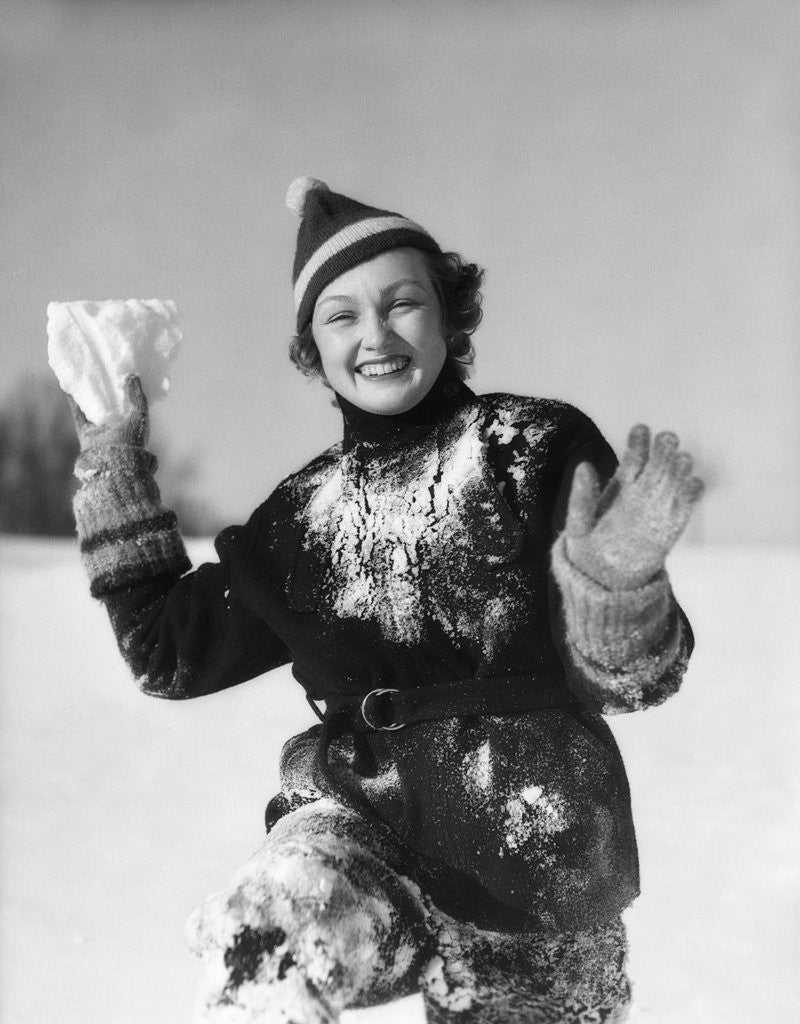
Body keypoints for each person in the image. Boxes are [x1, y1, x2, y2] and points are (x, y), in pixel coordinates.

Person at [69, 177, 704, 1024]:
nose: (376, 335)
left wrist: (617, 588)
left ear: (448, 316)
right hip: (363, 821)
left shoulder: (536, 448)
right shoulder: (299, 519)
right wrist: (111, 471)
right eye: (342, 316)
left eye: (402, 304)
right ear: (313, 349)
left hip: (537, 847)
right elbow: (166, 651)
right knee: (272, 932)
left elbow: (634, 682)